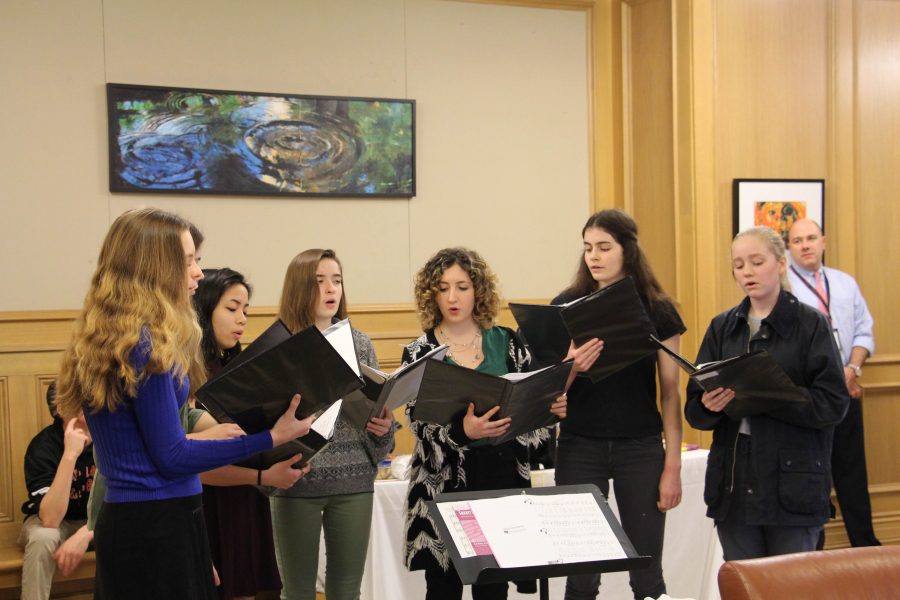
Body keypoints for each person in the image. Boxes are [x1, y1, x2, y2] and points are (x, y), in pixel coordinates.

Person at [54, 208, 315, 600]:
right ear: (155, 266)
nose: (197, 272)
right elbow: (172, 458)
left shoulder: (108, 337)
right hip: (158, 526)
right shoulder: (151, 346)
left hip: (129, 523)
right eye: (189, 260)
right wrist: (271, 436)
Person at [402, 247, 568, 600]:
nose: (452, 297)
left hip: (501, 476)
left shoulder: (508, 342)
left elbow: (532, 413)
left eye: (462, 286)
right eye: (443, 287)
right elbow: (418, 425)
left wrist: (551, 409)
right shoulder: (419, 351)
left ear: (478, 290)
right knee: (442, 589)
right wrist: (464, 431)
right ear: (431, 294)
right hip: (444, 483)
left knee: (492, 591)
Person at [685, 226, 850, 561]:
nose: (747, 271)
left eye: (757, 261)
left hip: (792, 483)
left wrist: (770, 396)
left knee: (789, 588)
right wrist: (708, 404)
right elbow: (694, 408)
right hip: (734, 482)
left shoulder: (811, 324)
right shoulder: (723, 326)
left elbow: (833, 404)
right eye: (739, 264)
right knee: (744, 586)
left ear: (780, 264)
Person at [552, 209, 684, 600]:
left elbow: (671, 392)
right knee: (581, 574)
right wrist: (572, 366)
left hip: (640, 447)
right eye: (588, 247)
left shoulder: (658, 309)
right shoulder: (566, 305)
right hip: (579, 446)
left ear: (627, 250)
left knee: (647, 572)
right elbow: (550, 389)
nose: (594, 256)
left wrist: (672, 466)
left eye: (604, 247)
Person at [269, 248, 396, 600]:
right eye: (319, 281)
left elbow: (381, 421)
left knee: (346, 591)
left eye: (337, 281)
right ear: (299, 288)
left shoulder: (360, 343)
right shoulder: (279, 346)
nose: (331, 289)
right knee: (297, 592)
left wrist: (384, 428)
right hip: (296, 479)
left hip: (354, 479)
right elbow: (264, 425)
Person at [194, 268, 307, 600]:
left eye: (246, 310)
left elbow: (255, 436)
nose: (241, 319)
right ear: (204, 308)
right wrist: (264, 473)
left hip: (246, 496)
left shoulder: (239, 368)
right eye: (232, 309)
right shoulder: (188, 369)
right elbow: (197, 463)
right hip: (208, 502)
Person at [786, 218, 880, 548]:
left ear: (824, 241)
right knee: (815, 476)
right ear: (788, 248)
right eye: (798, 240)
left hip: (848, 389)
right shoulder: (786, 289)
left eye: (811, 238)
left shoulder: (844, 283)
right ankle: (815, 550)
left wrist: (852, 368)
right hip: (810, 398)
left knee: (853, 474)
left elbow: (864, 332)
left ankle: (866, 549)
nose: (806, 245)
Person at [18, 383, 95, 600]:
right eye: (81, 401)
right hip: (54, 522)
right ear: (60, 408)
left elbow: (118, 503)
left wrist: (86, 532)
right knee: (44, 537)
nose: (90, 405)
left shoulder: (108, 440)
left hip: (96, 522)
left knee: (134, 526)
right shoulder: (42, 447)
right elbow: (50, 519)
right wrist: (70, 454)